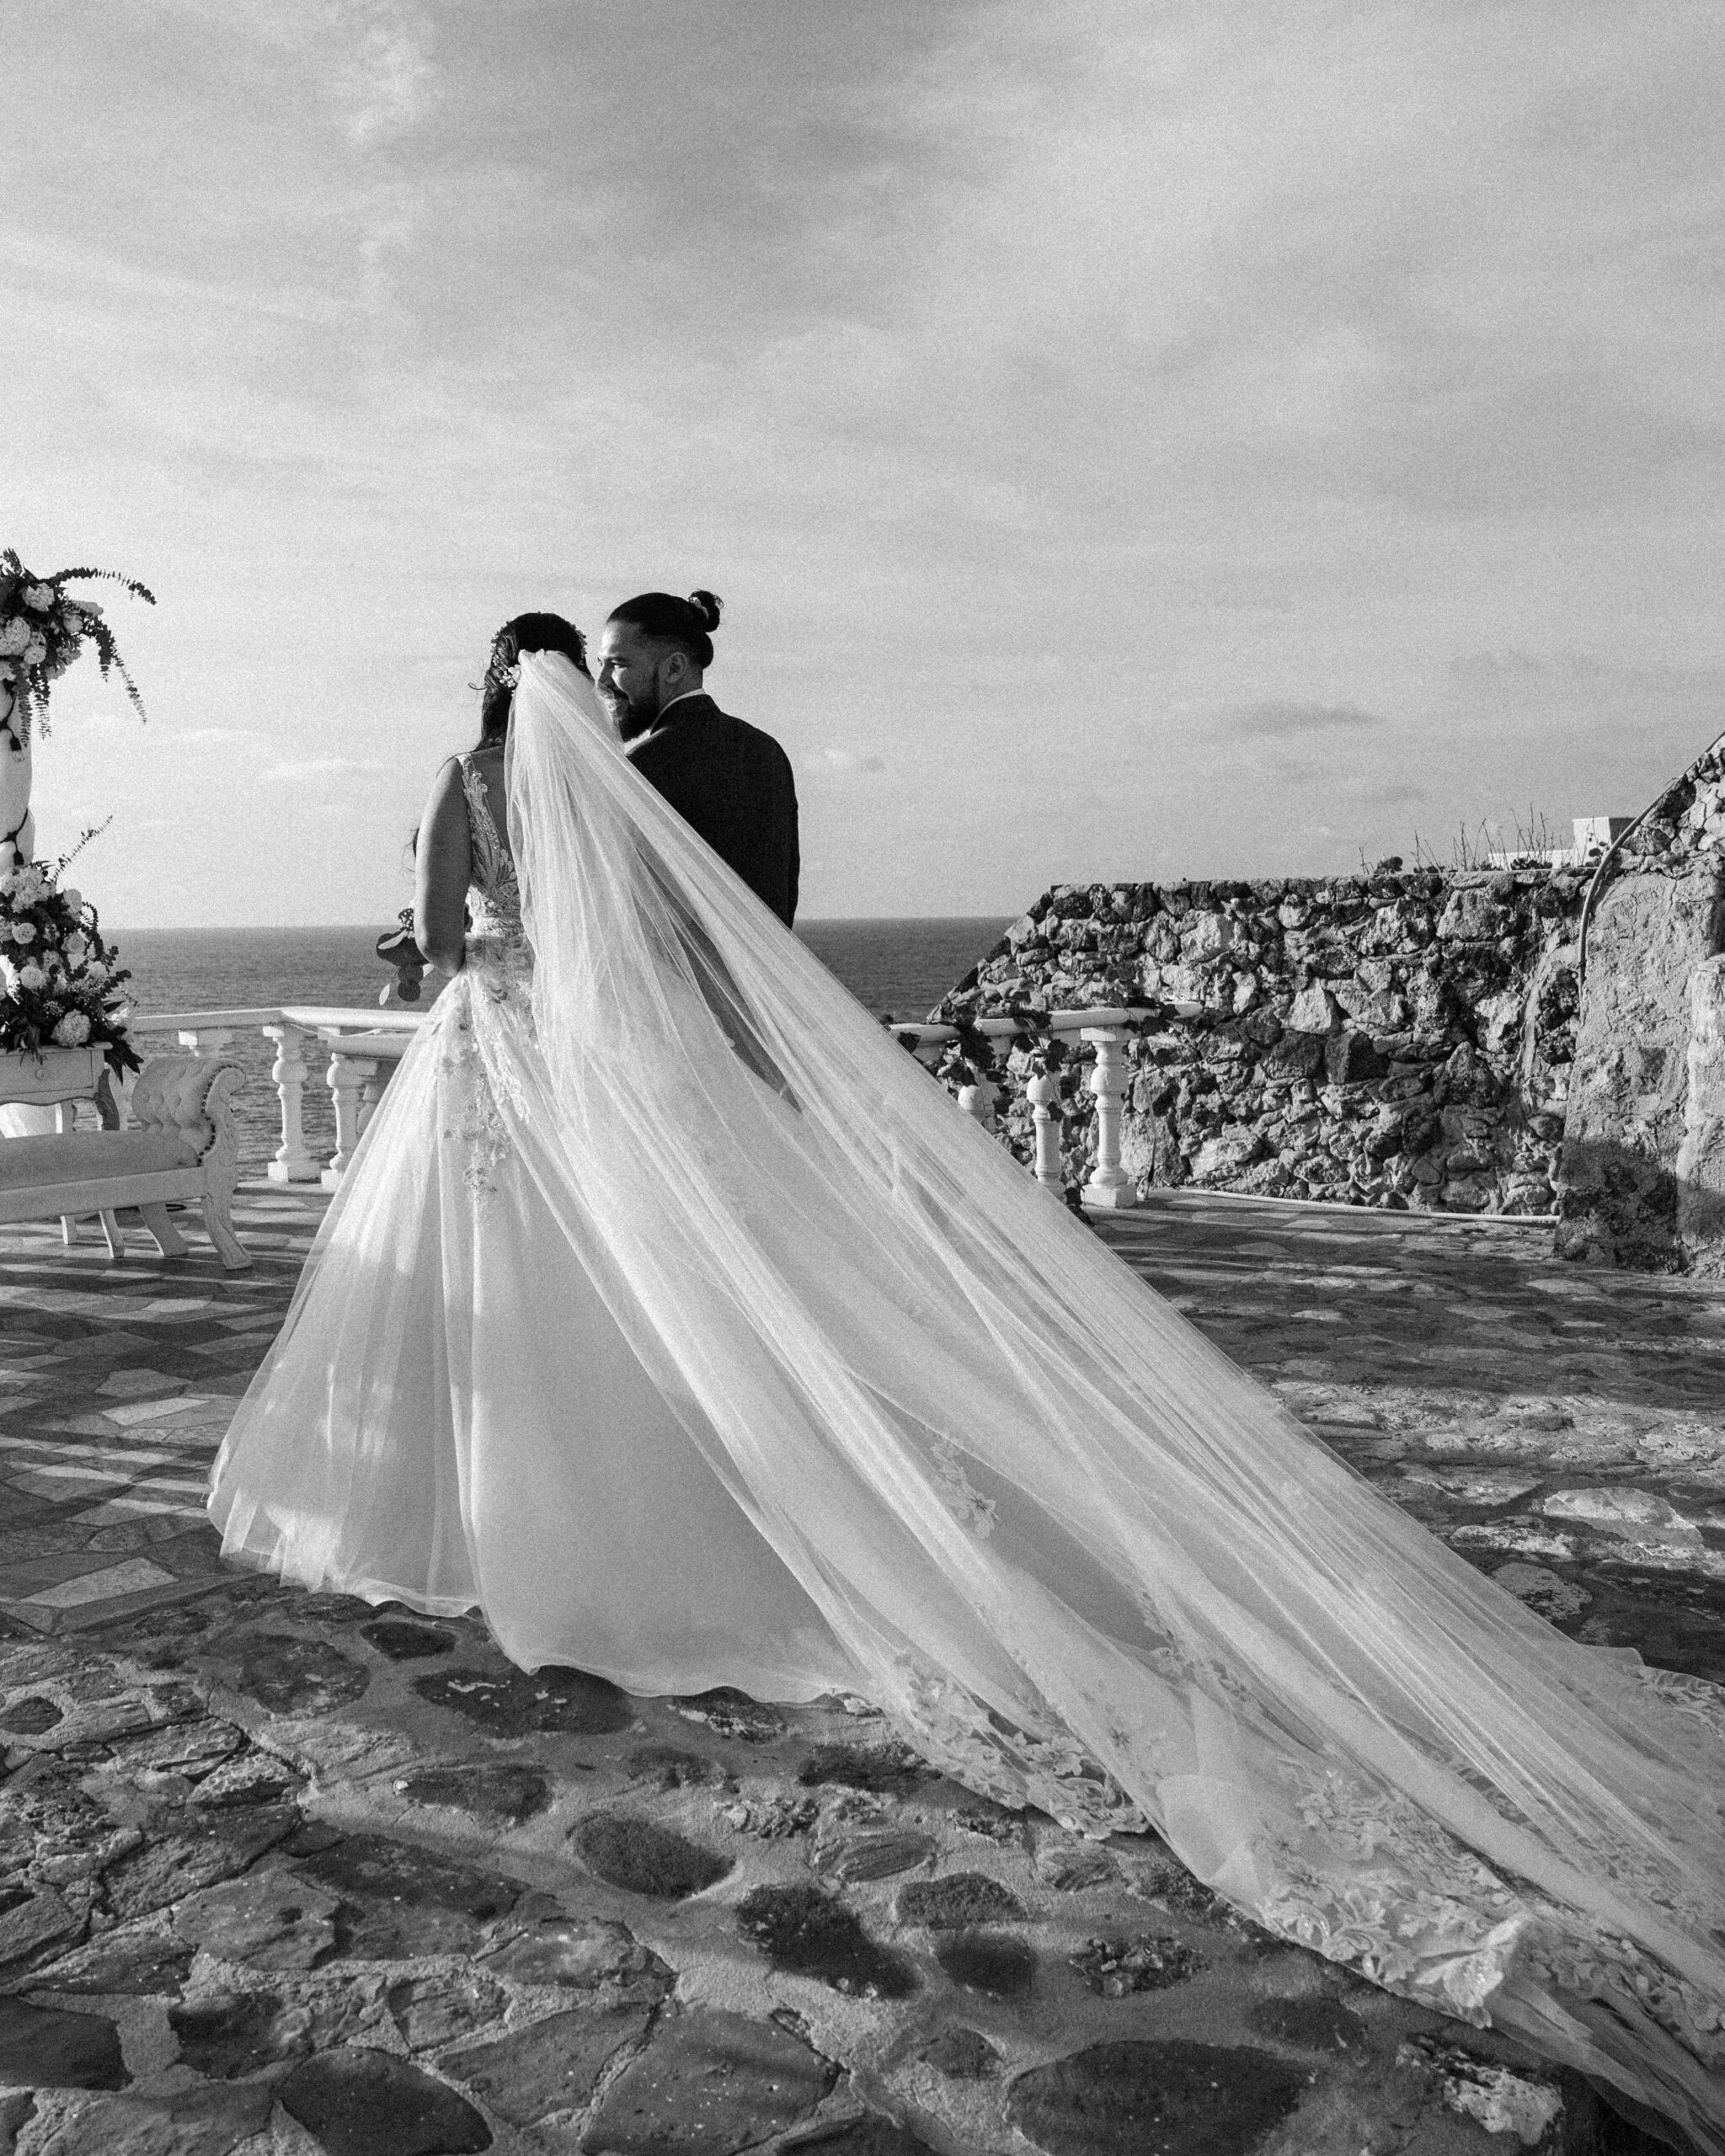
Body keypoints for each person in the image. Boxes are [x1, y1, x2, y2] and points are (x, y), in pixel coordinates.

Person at [210, 627, 1725, 2152]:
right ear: (575, 687)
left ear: (493, 682)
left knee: (505, 1302)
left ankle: (508, 1520)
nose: (605, 687)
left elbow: (423, 937)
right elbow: (671, 924)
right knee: (632, 1300)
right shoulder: (611, 779)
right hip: (604, 1059)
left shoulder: (462, 781)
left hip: (499, 1052)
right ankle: (649, 1507)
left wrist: (452, 956)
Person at [597, 591, 799, 926]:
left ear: (674, 667)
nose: (602, 681)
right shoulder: (767, 750)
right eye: (601, 664)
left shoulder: (644, 769)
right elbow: (784, 891)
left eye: (618, 664)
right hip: (770, 973)